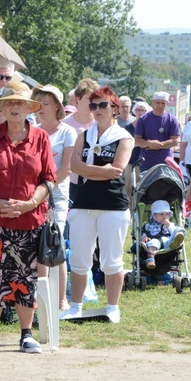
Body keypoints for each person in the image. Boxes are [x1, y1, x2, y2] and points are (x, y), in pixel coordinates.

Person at [0, 81, 56, 353]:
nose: (15, 107)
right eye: (9, 103)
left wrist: (30, 203)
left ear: (29, 108)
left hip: (28, 220)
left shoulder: (41, 138)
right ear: (3, 108)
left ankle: (26, 334)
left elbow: (48, 179)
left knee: (24, 275)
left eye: (20, 103)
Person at [61, 86, 133, 324]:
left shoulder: (124, 137)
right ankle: (76, 306)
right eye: (94, 106)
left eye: (103, 105)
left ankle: (113, 306)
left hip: (113, 205)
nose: (98, 110)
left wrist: (87, 169)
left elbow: (117, 170)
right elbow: (74, 167)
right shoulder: (84, 135)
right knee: (80, 257)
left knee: (111, 259)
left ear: (115, 109)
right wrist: (100, 170)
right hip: (84, 202)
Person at [34, 84, 76, 311]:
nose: (40, 107)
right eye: (38, 103)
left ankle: (60, 299)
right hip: (33, 198)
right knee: (36, 246)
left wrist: (44, 191)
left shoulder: (68, 131)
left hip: (56, 198)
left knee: (56, 244)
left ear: (58, 106)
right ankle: (39, 298)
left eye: (46, 103)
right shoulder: (33, 130)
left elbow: (67, 169)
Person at [134, 91, 181, 173]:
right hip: (147, 161)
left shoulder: (172, 120)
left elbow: (175, 141)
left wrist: (158, 145)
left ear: (167, 104)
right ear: (153, 102)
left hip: (166, 162)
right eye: (158, 103)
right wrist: (149, 143)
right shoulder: (143, 119)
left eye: (163, 103)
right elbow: (137, 140)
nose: (160, 105)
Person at [141, 200, 186, 269]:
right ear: (154, 215)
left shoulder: (170, 225)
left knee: (179, 230)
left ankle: (177, 239)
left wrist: (168, 225)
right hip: (156, 242)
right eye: (161, 214)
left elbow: (173, 230)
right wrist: (144, 238)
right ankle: (150, 259)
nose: (164, 217)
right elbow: (145, 233)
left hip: (169, 242)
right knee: (153, 242)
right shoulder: (149, 225)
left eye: (167, 214)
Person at [125, 100, 150, 166]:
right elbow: (126, 143)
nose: (140, 112)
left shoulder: (149, 127)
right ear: (134, 111)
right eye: (138, 109)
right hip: (130, 160)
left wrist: (139, 143)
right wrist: (142, 143)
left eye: (143, 110)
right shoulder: (128, 127)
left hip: (145, 161)